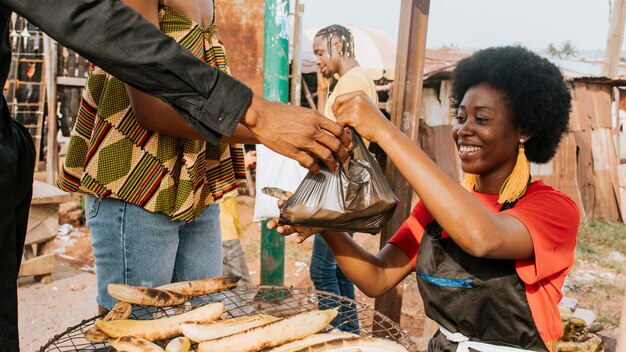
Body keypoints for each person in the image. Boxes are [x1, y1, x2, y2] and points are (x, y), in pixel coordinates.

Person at [0, 1, 350, 349]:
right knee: (133, 333)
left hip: (196, 181)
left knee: (207, 320)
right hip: (139, 180)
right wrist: (265, 128)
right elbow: (152, 110)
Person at [270, 46, 579, 351]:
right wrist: (325, 225)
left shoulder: (552, 209)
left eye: (481, 119)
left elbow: (483, 238)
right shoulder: (436, 210)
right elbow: (377, 277)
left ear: (523, 131)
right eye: (460, 117)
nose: (463, 130)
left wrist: (385, 131)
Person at [309, 24, 379, 333]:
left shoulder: (351, 82)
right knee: (338, 269)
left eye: (321, 52)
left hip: (339, 185)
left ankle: (338, 337)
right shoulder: (358, 78)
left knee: (321, 271)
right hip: (349, 184)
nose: (318, 60)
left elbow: (345, 136)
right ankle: (350, 335)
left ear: (339, 45)